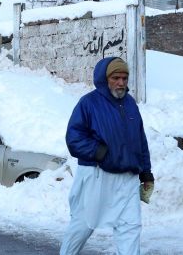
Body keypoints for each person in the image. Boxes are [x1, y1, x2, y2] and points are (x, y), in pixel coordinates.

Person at [60, 57, 155, 255]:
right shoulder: (88, 103)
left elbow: (140, 140)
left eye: (125, 78)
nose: (121, 83)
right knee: (83, 225)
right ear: (105, 79)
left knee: (130, 227)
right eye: (116, 78)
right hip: (98, 175)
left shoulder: (130, 104)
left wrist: (146, 173)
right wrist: (98, 152)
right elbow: (74, 138)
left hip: (127, 179)